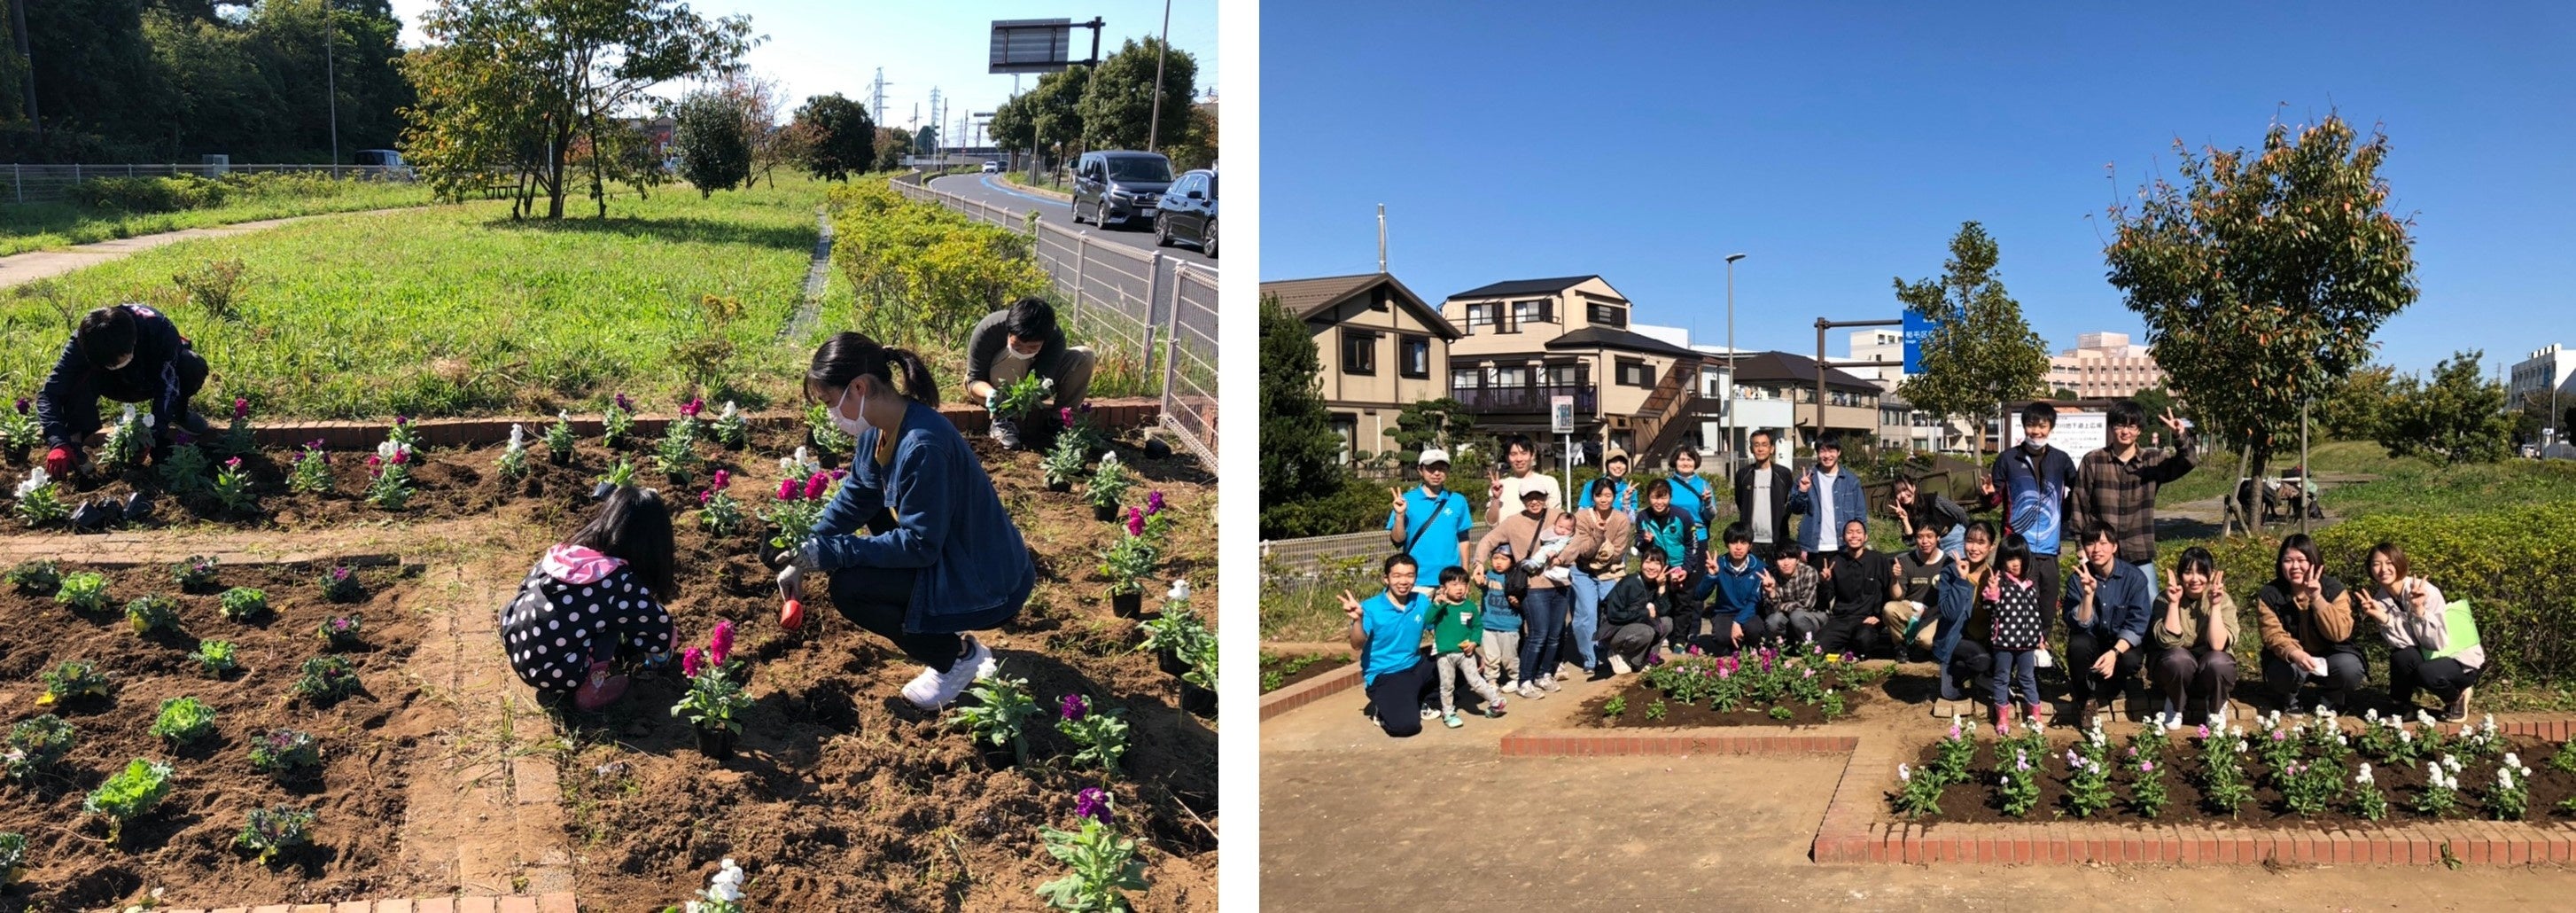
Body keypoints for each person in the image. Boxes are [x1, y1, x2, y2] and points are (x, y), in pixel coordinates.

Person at [774, 333, 1033, 710]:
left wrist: (829, 553)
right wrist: (804, 554)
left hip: (988, 581)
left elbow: (919, 545)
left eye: (830, 402)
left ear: (859, 387)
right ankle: (943, 629)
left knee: (851, 588)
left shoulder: (923, 446)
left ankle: (957, 659)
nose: (830, 413)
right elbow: (857, 496)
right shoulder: (878, 429)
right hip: (953, 555)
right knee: (871, 510)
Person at [502, 486, 677, 711]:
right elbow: (654, 624)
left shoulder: (571, 553)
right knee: (611, 623)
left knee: (595, 612)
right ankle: (592, 689)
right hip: (552, 672)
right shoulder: (617, 581)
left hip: (518, 641)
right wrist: (665, 643)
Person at [35, 303, 214, 475]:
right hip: (112, 385)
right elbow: (50, 393)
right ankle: (75, 441)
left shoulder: (160, 330)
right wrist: (58, 441)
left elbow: (167, 387)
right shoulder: (85, 340)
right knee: (76, 378)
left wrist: (153, 433)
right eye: (107, 365)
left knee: (190, 364)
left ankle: (178, 416)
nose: (113, 366)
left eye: (117, 362)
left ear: (134, 342)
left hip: (149, 378)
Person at [2069, 400, 2197, 578]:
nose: (2125, 431)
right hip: (2101, 550)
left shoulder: (2153, 460)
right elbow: (2079, 505)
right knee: (2097, 602)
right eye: (2120, 425)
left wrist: (2180, 436)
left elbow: (2189, 461)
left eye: (2132, 426)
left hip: (2139, 549)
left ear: (2140, 430)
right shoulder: (2093, 460)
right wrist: (2081, 547)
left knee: (2148, 600)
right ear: (2111, 427)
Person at [2361, 542, 2482, 722]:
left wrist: (2419, 610)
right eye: (2376, 564)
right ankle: (2402, 707)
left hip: (2457, 659)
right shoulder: (2380, 599)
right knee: (2400, 657)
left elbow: (2437, 642)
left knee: (2427, 672)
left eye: (2389, 563)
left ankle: (2456, 697)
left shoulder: (2425, 591)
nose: (2383, 569)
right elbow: (2404, 644)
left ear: (2400, 563)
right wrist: (2384, 619)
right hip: (2429, 653)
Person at [1475, 487, 1571, 699]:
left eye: (1538, 497)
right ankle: (1524, 680)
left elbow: (1579, 539)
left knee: (1556, 634)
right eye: (1529, 498)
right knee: (1538, 634)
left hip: (1560, 584)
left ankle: (1544, 674)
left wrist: (1562, 558)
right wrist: (1479, 563)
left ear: (1546, 498)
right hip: (1533, 586)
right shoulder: (1512, 522)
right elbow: (1487, 541)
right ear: (1522, 499)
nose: (1534, 501)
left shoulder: (1558, 516)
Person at [961, 297, 1096, 449]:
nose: (1024, 350)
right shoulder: (989, 330)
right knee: (1015, 358)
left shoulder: (1054, 338)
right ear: (1009, 331)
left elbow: (1043, 382)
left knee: (1084, 356)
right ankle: (1003, 420)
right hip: (987, 387)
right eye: (1017, 344)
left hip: (1031, 388)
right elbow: (974, 380)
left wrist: (1027, 395)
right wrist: (992, 394)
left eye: (1032, 347)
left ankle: (1058, 421)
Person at [2253, 534, 2362, 714]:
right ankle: (2289, 698)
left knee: (2349, 667)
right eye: (2288, 560)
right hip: (2291, 658)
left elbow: (2340, 633)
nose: (2295, 566)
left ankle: (2331, 699)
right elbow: (2272, 634)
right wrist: (2295, 653)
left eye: (2301, 560)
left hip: (2331, 655)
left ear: (2313, 562)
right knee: (2284, 670)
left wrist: (2317, 599)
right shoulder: (2270, 594)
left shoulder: (2333, 589)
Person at [2058, 525, 2156, 730]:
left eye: (2103, 543)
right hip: (2091, 640)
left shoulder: (2134, 578)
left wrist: (2114, 653)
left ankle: (2114, 686)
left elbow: (2138, 623)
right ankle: (2085, 699)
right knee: (2078, 646)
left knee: (2131, 659)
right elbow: (2079, 624)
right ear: (2084, 549)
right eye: (2091, 543)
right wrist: (2088, 594)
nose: (2096, 549)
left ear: (2114, 547)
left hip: (2118, 642)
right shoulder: (2078, 579)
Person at [1994, 402, 2077, 629]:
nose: (2037, 431)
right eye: (2031, 425)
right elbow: (1995, 498)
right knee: (2016, 606)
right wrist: (1987, 494)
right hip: (2018, 549)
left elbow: (2078, 490)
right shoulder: (2008, 459)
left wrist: (2065, 514)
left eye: (2042, 426)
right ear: (2024, 427)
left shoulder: (2061, 460)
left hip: (2049, 550)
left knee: (2047, 607)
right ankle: (2014, 655)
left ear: (2051, 428)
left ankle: (2043, 652)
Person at [1339, 554, 1439, 737]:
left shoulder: (1421, 601)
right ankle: (1384, 708)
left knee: (1468, 661)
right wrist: (1358, 621)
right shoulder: (1370, 607)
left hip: (1415, 665)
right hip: (1386, 674)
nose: (1404, 581)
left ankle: (1424, 699)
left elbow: (1437, 629)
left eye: (1410, 575)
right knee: (1407, 727)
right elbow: (1357, 644)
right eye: (1397, 576)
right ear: (1386, 578)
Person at [2149, 546, 2237, 729]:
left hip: (2209, 671)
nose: (2195, 579)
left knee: (2219, 661)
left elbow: (2218, 645)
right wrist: (2173, 603)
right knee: (2177, 658)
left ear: (2211, 574)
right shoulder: (2164, 599)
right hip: (2178, 672)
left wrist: (2215, 606)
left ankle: (2216, 707)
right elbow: (2169, 642)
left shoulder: (2223, 599)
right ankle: (2175, 703)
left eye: (2201, 573)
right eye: (2189, 572)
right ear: (2180, 575)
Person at [1564, 477, 1633, 678]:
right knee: (1586, 614)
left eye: (1608, 495)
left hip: (1609, 570)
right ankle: (1589, 659)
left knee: (1614, 609)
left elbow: (1618, 552)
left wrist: (1601, 555)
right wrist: (1599, 536)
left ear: (1614, 496)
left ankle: (1613, 648)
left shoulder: (1621, 519)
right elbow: (1583, 551)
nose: (1603, 499)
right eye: (1599, 495)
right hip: (1583, 570)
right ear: (1592, 497)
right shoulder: (1583, 517)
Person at [1428, 566, 1508, 728]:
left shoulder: (1470, 606)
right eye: (1454, 584)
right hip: (1444, 654)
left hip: (1466, 653)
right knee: (1447, 685)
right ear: (1443, 588)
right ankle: (1448, 712)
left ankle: (1496, 702)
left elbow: (1477, 627)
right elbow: (1427, 621)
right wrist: (1438, 604)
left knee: (1475, 680)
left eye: (1462, 584)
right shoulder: (1440, 606)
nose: (1459, 588)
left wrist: (1474, 642)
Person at [1930, 521, 2000, 706]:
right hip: (1955, 639)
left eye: (1981, 542)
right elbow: (1950, 614)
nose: (1974, 548)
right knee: (1980, 660)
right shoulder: (1951, 572)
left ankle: (1981, 676)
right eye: (1969, 541)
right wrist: (1962, 581)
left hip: (1985, 638)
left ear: (1991, 546)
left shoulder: (1995, 576)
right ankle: (1954, 671)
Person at [1386, 448, 1475, 589]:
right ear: (1420, 470)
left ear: (1448, 471)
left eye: (1442, 468)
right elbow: (1397, 541)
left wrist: (1464, 575)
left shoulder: (1458, 501)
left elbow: (1463, 539)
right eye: (1431, 468)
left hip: (1451, 579)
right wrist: (1399, 515)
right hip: (1417, 579)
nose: (1436, 473)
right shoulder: (1406, 500)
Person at [1986, 533, 2049, 731]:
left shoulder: (2030, 586)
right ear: (2002, 560)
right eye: (2009, 558)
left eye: (2019, 558)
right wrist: (1993, 595)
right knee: (2002, 677)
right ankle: (2002, 717)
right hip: (2004, 641)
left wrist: (2039, 637)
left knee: (2027, 677)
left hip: (2027, 643)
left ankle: (2035, 715)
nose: (2014, 564)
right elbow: (1989, 608)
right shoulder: (2000, 583)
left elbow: (2034, 613)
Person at [1633, 479, 1704, 648]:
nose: (1659, 502)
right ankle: (1661, 634)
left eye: (1663, 497)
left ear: (1670, 498)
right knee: (1661, 601)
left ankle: (1680, 639)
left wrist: (1687, 568)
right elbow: (1637, 543)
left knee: (1683, 603)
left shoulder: (1683, 516)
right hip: (1657, 568)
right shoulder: (1643, 517)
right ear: (1648, 498)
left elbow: (1692, 544)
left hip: (1681, 566)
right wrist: (1644, 541)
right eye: (1654, 498)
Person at [1816, 519, 1894, 658]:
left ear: (1865, 537)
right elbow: (1825, 599)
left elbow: (1890, 592)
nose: (1854, 536)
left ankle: (1852, 652)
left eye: (1858, 532)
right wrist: (1824, 582)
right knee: (1817, 647)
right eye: (1850, 532)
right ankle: (1845, 651)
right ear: (1843, 538)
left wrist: (1879, 616)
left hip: (1867, 619)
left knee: (1863, 639)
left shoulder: (1878, 560)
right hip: (1842, 619)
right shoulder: (1836, 562)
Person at [1786, 434, 1867, 562]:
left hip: (1844, 546)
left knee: (1843, 582)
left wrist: (1859, 542)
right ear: (1817, 453)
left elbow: (1860, 515)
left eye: (1831, 451)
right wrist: (1802, 491)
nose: (1827, 455)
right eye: (1823, 451)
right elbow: (1796, 509)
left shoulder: (1851, 481)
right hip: (1814, 546)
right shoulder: (1806, 478)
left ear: (1839, 452)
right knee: (1817, 582)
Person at [1596, 550, 1677, 675]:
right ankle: (1618, 653)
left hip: (1637, 627)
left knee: (1667, 623)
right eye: (1648, 561)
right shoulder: (1629, 582)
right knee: (1647, 631)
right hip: (1614, 631)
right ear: (1641, 563)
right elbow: (1613, 614)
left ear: (1663, 566)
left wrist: (1661, 588)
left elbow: (1662, 612)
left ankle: (1644, 660)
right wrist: (1644, 613)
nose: (1651, 567)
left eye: (1657, 563)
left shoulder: (1658, 583)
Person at [1693, 523, 1770, 655]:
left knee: (1754, 629)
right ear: (1727, 544)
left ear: (1750, 546)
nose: (1738, 547)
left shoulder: (1760, 567)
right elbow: (1699, 595)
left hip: (1750, 613)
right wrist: (1711, 576)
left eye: (1743, 543)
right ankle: (1734, 646)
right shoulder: (1719, 563)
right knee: (1721, 636)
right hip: (1725, 612)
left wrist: (1737, 622)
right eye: (1734, 542)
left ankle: (1748, 646)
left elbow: (1754, 600)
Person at [1882, 523, 1951, 658]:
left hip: (1937, 613)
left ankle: (1924, 647)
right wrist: (1895, 579)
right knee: (1889, 609)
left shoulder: (1948, 563)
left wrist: (1931, 611)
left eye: (1929, 536)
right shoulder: (1906, 561)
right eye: (1920, 537)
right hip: (1913, 609)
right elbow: (1897, 597)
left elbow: (1951, 601)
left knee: (1925, 640)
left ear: (1938, 538)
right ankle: (1902, 645)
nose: (1925, 541)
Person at [1732, 429, 1796, 561]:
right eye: (1756, 445)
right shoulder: (1743, 474)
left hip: (1777, 537)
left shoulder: (1783, 474)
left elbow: (1789, 502)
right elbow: (1741, 502)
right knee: (1752, 578)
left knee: (1777, 579)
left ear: (1772, 448)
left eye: (1764, 444)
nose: (1760, 449)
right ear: (1751, 449)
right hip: (1750, 539)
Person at [1478, 545, 1529, 693]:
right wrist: (1478, 577)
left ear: (1512, 561)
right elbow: (1478, 582)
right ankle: (1492, 680)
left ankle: (1515, 678)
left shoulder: (1517, 577)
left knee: (1509, 656)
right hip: (1488, 624)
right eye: (1495, 558)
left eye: (1504, 559)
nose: (1498, 562)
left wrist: (1518, 603)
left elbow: (1524, 602)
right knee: (1490, 656)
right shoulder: (1488, 575)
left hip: (1510, 625)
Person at [1756, 542, 1824, 647]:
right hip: (1786, 618)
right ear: (1775, 561)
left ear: (1797, 559)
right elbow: (1770, 612)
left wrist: (1782, 606)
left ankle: (1811, 647)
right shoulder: (1770, 577)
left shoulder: (1808, 572)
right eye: (1781, 559)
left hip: (1812, 616)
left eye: (1790, 558)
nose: (1786, 563)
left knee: (1797, 616)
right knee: (1772, 621)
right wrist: (1772, 593)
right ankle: (1785, 648)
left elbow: (1806, 604)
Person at [1484, 435, 1562, 523]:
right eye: (1513, 454)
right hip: (1506, 536)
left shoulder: (1549, 482)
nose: (1519, 459)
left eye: (1524, 453)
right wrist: (1495, 499)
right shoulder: (1500, 486)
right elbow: (1491, 523)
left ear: (1532, 455)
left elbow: (1555, 519)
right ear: (1507, 458)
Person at [1889, 475, 1969, 559]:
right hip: (1930, 547)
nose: (1902, 495)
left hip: (1952, 538)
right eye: (1898, 492)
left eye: (1905, 490)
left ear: (1913, 487)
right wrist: (1904, 519)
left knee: (1953, 566)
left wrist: (1969, 534)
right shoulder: (1904, 511)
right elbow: (1911, 542)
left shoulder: (1932, 499)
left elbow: (1959, 512)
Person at [1664, 447, 1719, 530]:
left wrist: (1708, 503)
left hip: (1698, 534)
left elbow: (1710, 517)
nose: (1686, 463)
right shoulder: (1666, 485)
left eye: (1689, 460)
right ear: (1675, 462)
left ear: (1695, 462)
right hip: (1672, 536)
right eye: (1682, 459)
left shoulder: (1703, 485)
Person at [1529, 511, 1578, 585]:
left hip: (1554, 552)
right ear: (1555, 524)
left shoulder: (1565, 538)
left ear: (1572, 530)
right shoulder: (1551, 532)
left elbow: (1560, 545)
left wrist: (1554, 551)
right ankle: (1566, 574)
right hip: (1549, 557)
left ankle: (1534, 563)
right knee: (1549, 568)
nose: (1563, 530)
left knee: (1544, 551)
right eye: (1560, 527)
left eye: (1568, 529)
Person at [1599, 446, 1638, 519]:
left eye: (1622, 462)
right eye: (1614, 461)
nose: (1618, 466)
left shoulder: (1630, 491)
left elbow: (1631, 521)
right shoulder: (1591, 486)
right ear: (1607, 464)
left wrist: (1626, 501)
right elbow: (1582, 514)